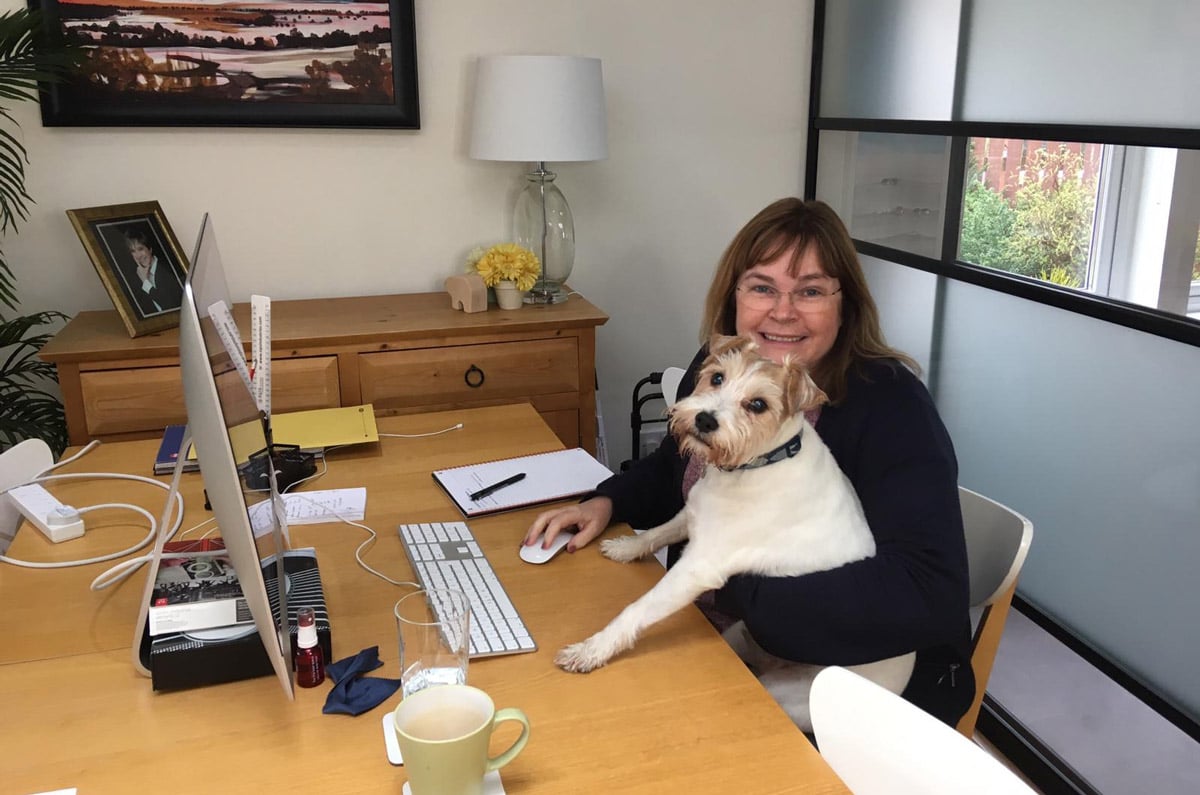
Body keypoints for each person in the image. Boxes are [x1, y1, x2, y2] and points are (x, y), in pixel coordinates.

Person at [524, 197, 975, 727]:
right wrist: (607, 501)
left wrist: (740, 584)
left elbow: (929, 592)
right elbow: (678, 469)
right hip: (726, 638)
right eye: (762, 287)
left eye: (809, 291)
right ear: (734, 295)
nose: (782, 312)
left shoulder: (892, 406)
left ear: (844, 303)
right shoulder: (728, 364)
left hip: (850, 682)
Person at [124, 226, 182, 316]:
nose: (138, 255)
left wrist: (145, 282)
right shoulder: (135, 278)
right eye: (133, 251)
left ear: (150, 249)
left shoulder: (167, 270)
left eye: (140, 249)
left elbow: (170, 306)